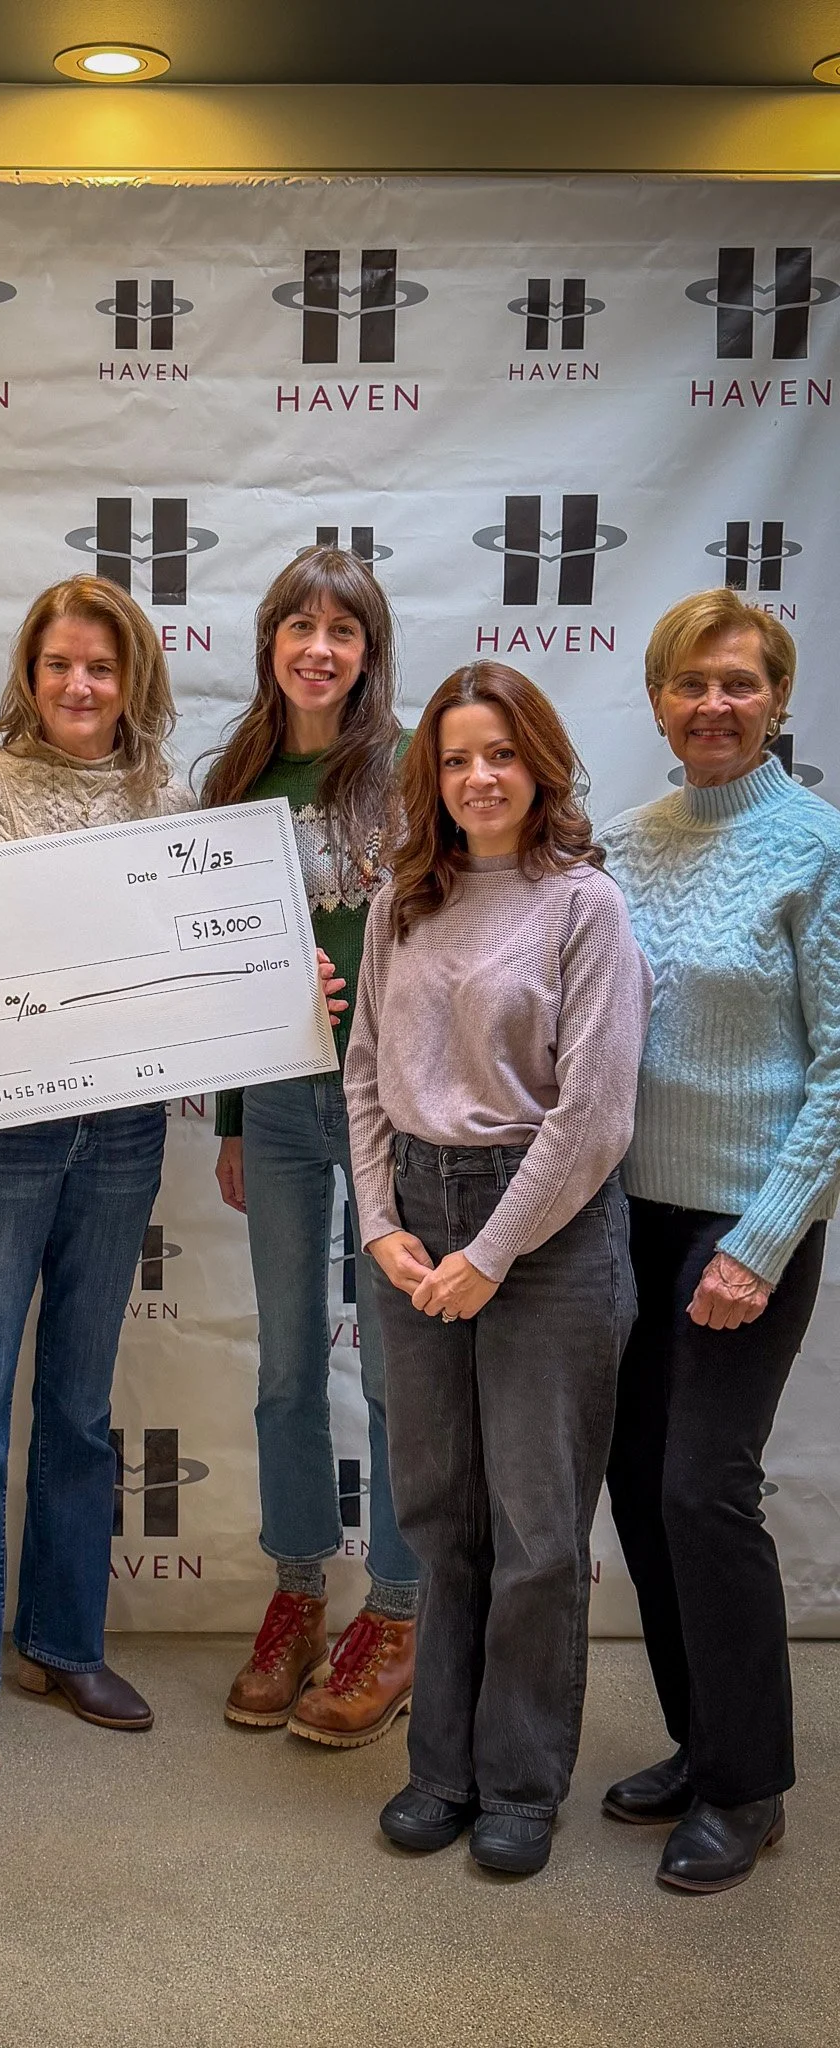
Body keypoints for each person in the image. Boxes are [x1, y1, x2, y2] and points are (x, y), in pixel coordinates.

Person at [345, 661, 650, 1877]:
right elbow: (365, 1067)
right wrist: (379, 1223)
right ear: (433, 774)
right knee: (437, 1513)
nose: (481, 776)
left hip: (547, 1227)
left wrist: (490, 1252)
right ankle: (442, 1768)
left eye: (504, 754)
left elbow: (594, 1114)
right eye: (459, 756)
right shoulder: (399, 903)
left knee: (536, 1527)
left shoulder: (584, 905)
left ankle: (521, 1778)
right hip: (415, 1219)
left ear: (543, 766)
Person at [0, 575, 189, 1790]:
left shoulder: (166, 797)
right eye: (60, 663)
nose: (81, 687)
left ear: (135, 680)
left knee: (78, 1404)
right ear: (29, 674)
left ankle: (64, 1642)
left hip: (122, 1127)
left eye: (104, 666)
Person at [598, 591, 840, 1894]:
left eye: (740, 682)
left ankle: (751, 1789)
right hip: (628, 1221)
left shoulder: (817, 845)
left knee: (703, 1486)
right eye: (691, 683)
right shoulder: (625, 848)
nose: (715, 704)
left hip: (752, 1220)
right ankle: (703, 1744)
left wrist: (760, 1239)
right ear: (657, 700)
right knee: (639, 1488)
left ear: (779, 698)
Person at [202, 545, 422, 1746]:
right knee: (288, 1362)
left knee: (393, 1372)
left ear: (368, 652)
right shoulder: (236, 777)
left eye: (345, 629)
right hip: (280, 1106)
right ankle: (297, 1588)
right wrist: (233, 1120)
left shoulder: (405, 773)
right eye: (300, 623)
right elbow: (223, 968)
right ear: (272, 642)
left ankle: (395, 1607)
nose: (320, 646)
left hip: (392, 1104)